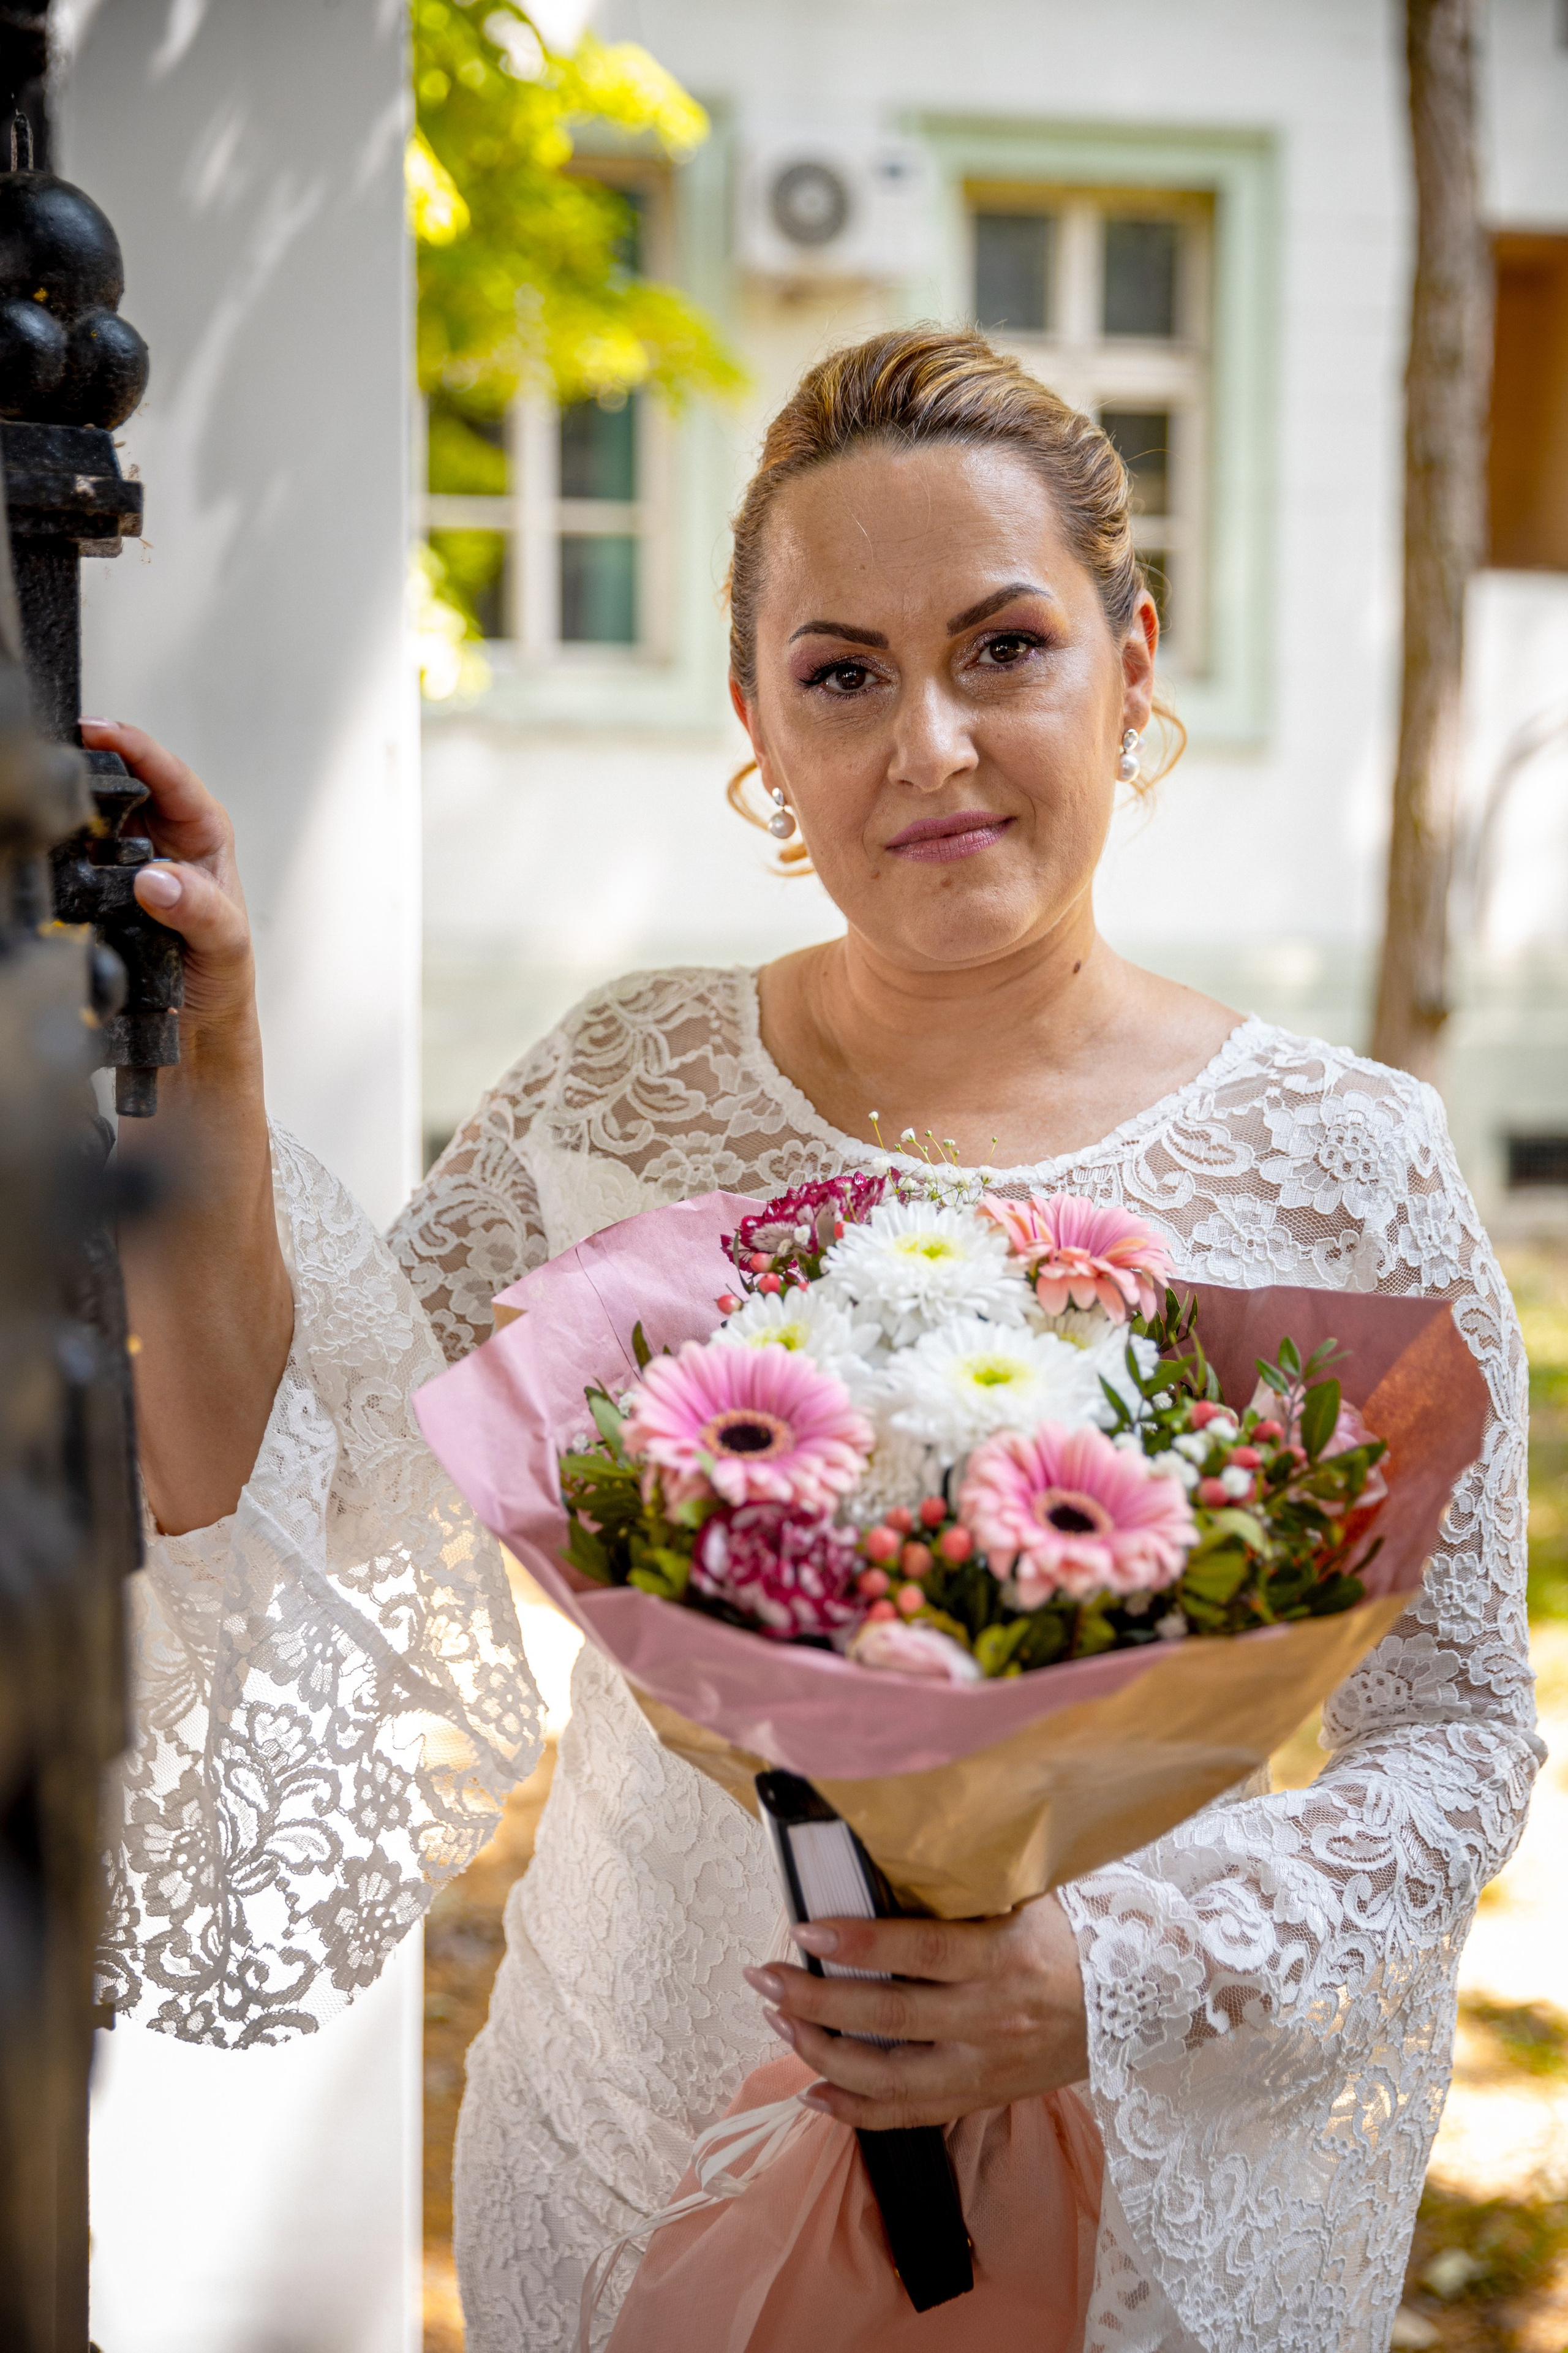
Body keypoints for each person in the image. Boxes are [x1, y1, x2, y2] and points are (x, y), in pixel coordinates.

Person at [96, 327, 1537, 2353]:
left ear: (1134, 652)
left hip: (1113, 2176)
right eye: (843, 672)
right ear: (757, 723)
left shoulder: (1348, 1164)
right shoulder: (622, 1082)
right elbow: (290, 1457)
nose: (926, 745)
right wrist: (215, 1038)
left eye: (1004, 647)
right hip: (625, 2136)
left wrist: (1098, 1969)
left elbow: (1460, 1731)